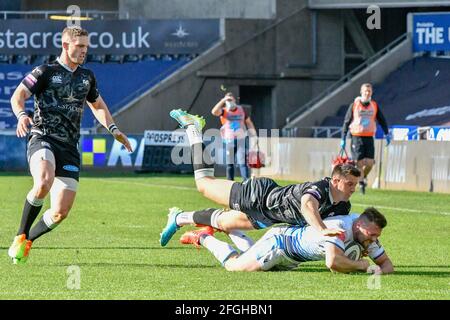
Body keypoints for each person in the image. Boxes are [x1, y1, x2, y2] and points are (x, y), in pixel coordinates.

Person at [8, 26, 133, 264]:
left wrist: (114, 129)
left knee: (59, 212)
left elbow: (98, 106)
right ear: (66, 45)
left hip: (70, 147)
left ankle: (27, 242)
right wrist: (22, 115)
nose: (84, 51)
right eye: (80, 46)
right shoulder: (45, 71)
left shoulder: (87, 76)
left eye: (86, 46)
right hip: (43, 136)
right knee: (43, 181)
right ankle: (19, 235)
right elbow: (18, 96)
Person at [160, 109, 361, 247]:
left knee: (226, 224)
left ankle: (179, 218)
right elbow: (308, 204)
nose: (353, 189)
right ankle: (194, 129)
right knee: (204, 184)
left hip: (269, 216)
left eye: (355, 185)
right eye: (350, 183)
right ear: (335, 181)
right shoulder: (321, 187)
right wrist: (322, 230)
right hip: (259, 196)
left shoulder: (343, 206)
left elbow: (344, 228)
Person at [178, 207, 394, 274]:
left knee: (249, 256)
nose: (374, 240)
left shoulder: (366, 234)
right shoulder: (339, 228)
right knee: (235, 266)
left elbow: (387, 265)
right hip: (281, 243)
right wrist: (362, 266)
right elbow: (333, 263)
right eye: (372, 235)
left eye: (376, 236)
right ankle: (203, 237)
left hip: (291, 257)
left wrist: (375, 270)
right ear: (359, 226)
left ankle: (228, 229)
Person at [341, 83, 390, 194]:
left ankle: (361, 178)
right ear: (361, 92)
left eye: (369, 91)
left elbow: (381, 120)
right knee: (358, 163)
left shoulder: (374, 105)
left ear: (371, 93)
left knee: (370, 163)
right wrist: (343, 138)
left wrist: (387, 133)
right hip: (357, 137)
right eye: (365, 91)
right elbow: (346, 121)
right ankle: (362, 183)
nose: (367, 93)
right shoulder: (354, 105)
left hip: (369, 137)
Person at [211, 92, 257, 181]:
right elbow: (214, 111)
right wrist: (223, 100)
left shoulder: (241, 110)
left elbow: (249, 123)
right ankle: (230, 182)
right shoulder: (224, 111)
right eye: (228, 100)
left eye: (231, 99)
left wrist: (254, 135)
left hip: (241, 139)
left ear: (234, 100)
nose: (229, 101)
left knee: (242, 162)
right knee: (230, 163)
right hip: (229, 140)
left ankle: (246, 182)